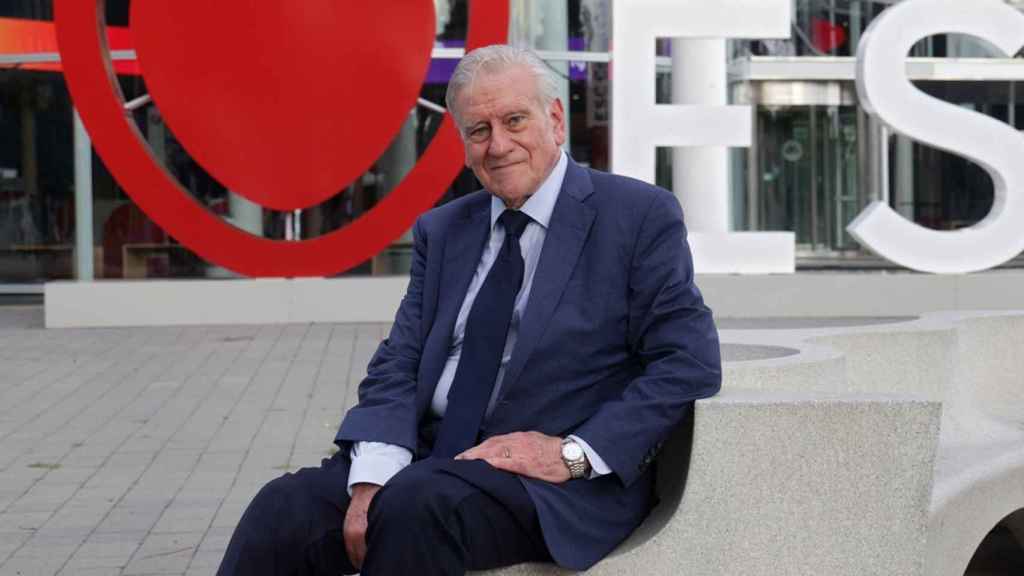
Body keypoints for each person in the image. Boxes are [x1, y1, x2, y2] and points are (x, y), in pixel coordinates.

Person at [217, 44, 721, 576]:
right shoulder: (444, 230)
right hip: (431, 457)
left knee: (417, 506)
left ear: (554, 120)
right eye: (479, 131)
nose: (498, 145)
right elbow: (398, 364)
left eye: (514, 120)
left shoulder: (636, 216)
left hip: (543, 481)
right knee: (282, 509)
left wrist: (573, 454)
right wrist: (372, 477)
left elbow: (687, 361)